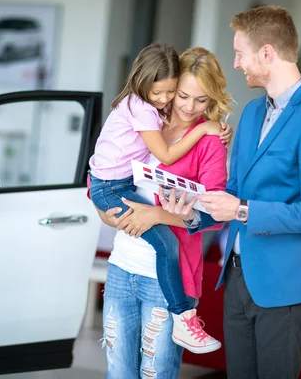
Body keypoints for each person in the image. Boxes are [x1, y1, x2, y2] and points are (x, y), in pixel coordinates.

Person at [167, 6, 301, 378]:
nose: (235, 64)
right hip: (235, 279)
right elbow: (232, 192)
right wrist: (193, 214)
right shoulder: (249, 114)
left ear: (266, 53)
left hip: (283, 287)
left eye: (240, 53)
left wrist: (242, 210)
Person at [95, 46, 234, 378]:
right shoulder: (146, 116)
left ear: (212, 98)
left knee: (155, 374)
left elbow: (217, 214)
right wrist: (107, 216)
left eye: (201, 100)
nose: (188, 106)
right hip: (121, 267)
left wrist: (159, 216)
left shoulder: (211, 141)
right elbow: (104, 175)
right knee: (118, 373)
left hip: (168, 280)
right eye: (183, 95)